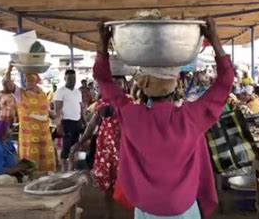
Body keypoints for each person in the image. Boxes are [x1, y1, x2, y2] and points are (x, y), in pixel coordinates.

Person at [94, 18, 232, 218]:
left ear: (144, 86)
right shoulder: (191, 117)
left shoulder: (131, 115)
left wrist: (103, 41)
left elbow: (103, 80)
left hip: (146, 208)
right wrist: (214, 39)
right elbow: (225, 82)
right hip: (183, 207)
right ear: (175, 85)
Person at [70, 75, 130, 219]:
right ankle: (109, 215)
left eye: (119, 83)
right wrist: (80, 143)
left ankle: (131, 215)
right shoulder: (102, 103)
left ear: (125, 85)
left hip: (125, 150)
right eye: (113, 83)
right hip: (105, 150)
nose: (115, 86)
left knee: (128, 184)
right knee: (106, 184)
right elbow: (92, 125)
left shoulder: (130, 103)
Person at [3, 64, 56, 172]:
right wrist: (9, 68)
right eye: (26, 81)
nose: (28, 83)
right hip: (29, 136)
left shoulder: (43, 94)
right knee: (30, 163)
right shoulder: (20, 94)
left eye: (30, 81)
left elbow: (46, 111)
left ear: (36, 81)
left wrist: (55, 117)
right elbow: (6, 83)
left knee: (47, 163)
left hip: (44, 134)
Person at [54, 70, 85, 172]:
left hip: (77, 122)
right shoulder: (60, 91)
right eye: (69, 78)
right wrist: (59, 125)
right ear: (65, 79)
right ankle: (63, 168)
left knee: (75, 146)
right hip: (66, 122)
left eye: (74, 78)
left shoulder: (78, 92)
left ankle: (71, 167)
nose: (72, 80)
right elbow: (57, 110)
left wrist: (84, 121)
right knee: (66, 146)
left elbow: (81, 108)